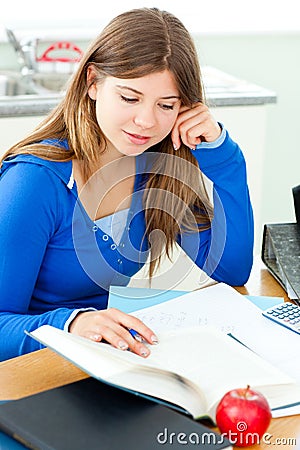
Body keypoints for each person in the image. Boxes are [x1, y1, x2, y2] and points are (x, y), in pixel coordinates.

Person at [0, 7, 254, 361]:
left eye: (166, 105)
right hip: (30, 373)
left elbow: (231, 269)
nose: (146, 121)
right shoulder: (33, 182)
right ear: (93, 83)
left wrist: (224, 157)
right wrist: (71, 324)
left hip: (97, 361)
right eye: (129, 98)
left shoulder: (157, 171)